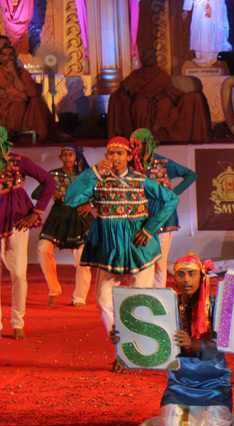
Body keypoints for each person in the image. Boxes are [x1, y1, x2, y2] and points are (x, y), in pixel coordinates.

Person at [64, 137, 179, 371]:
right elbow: (71, 198)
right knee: (103, 301)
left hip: (139, 247)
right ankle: (123, 348)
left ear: (128, 157)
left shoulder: (140, 180)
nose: (114, 158)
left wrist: (150, 228)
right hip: (110, 248)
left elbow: (171, 199)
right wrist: (93, 172)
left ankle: (136, 354)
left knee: (139, 301)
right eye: (110, 153)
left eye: (119, 153)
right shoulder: (98, 180)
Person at [110, 254, 234, 426]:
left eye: (192, 274)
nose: (186, 279)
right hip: (179, 381)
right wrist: (125, 338)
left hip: (213, 381)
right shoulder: (166, 307)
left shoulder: (217, 305)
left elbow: (226, 344)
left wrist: (193, 343)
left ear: (201, 276)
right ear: (175, 279)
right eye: (181, 274)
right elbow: (150, 339)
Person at [0, 125, 55, 339]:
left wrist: (36, 212)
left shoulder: (18, 161)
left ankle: (17, 322)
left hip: (16, 222)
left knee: (18, 274)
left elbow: (49, 181)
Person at [130, 128, 198, 288]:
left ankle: (158, 294)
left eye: (136, 144)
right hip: (140, 216)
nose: (133, 149)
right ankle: (142, 292)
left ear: (146, 144)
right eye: (131, 145)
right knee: (141, 258)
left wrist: (173, 194)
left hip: (162, 216)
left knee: (160, 261)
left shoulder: (163, 163)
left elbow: (191, 175)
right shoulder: (131, 166)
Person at [107, 48, 211, 143]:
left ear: (155, 59)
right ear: (141, 58)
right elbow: (127, 85)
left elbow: (169, 90)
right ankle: (143, 137)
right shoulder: (136, 74)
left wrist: (162, 95)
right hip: (142, 99)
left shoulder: (161, 74)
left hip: (160, 98)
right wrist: (123, 90)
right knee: (140, 105)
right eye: (145, 56)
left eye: (150, 56)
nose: (147, 59)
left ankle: (155, 131)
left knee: (164, 103)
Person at [37, 144, 94, 307]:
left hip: (79, 217)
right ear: (60, 157)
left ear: (76, 157)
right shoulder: (53, 175)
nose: (68, 158)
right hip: (58, 216)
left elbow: (100, 192)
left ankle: (79, 297)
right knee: (43, 249)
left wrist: (91, 205)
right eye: (65, 154)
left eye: (71, 154)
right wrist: (50, 191)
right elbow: (37, 193)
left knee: (82, 258)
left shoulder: (84, 175)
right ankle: (54, 288)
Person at [0, 45, 55, 140]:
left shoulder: (23, 72)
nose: (8, 57)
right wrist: (16, 94)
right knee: (15, 103)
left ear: (15, 57)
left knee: (37, 102)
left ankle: (42, 135)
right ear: (0, 57)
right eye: (5, 55)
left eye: (11, 55)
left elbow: (30, 92)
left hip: (23, 106)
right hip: (5, 104)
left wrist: (14, 73)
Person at [182, 0, 233, 67]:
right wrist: (186, 9)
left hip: (215, 5)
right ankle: (202, 57)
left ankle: (215, 56)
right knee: (202, 31)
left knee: (216, 31)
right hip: (201, 6)